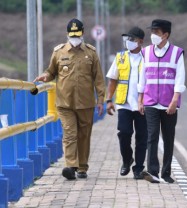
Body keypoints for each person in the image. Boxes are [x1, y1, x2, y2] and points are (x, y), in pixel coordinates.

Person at [34, 18, 105, 180]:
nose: (75, 38)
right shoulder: (59, 52)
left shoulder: (91, 53)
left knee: (84, 135)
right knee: (70, 133)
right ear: (67, 34)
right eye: (72, 35)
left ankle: (82, 167)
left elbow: (98, 79)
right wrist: (45, 77)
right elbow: (51, 72)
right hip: (65, 103)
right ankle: (70, 166)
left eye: (77, 35)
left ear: (83, 34)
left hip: (86, 103)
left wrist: (100, 100)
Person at [137, 19, 185, 183]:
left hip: (168, 103)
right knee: (152, 136)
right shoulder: (146, 52)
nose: (153, 35)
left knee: (169, 138)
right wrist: (140, 99)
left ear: (166, 34)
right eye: (152, 32)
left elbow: (180, 79)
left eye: (157, 32)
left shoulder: (177, 53)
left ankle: (166, 172)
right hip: (150, 102)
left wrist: (174, 101)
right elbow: (142, 77)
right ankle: (153, 171)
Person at [105, 27, 147, 180]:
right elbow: (113, 80)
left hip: (143, 104)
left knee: (142, 137)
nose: (128, 42)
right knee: (124, 133)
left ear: (140, 41)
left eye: (132, 39)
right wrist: (109, 100)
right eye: (127, 39)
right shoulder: (121, 57)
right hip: (124, 103)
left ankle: (138, 168)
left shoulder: (148, 57)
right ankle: (127, 159)